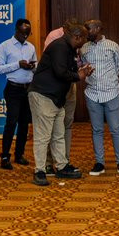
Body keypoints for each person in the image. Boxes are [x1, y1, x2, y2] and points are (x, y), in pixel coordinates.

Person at [29, 22, 91, 186]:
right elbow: (60, 72)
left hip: (56, 98)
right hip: (43, 95)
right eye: (84, 38)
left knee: (58, 134)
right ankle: (39, 171)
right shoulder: (60, 47)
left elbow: (68, 70)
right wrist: (79, 76)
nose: (85, 42)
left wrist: (82, 72)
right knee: (43, 136)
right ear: (77, 37)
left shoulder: (69, 48)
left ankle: (62, 166)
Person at [80, 19, 119, 176]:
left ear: (98, 28)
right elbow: (83, 67)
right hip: (92, 93)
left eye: (89, 29)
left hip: (111, 93)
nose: (87, 32)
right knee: (97, 129)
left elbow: (117, 67)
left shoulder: (113, 46)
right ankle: (99, 163)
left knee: (116, 129)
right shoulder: (84, 48)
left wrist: (109, 81)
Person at [0, 18, 35, 170]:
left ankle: (19, 154)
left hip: (28, 89)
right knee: (11, 122)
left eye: (28, 33)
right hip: (13, 89)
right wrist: (18, 64)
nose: (25, 36)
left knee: (24, 123)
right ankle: (5, 156)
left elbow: (35, 65)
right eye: (23, 33)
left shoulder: (31, 47)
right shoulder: (5, 46)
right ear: (16, 30)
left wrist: (31, 66)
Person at [43, 18, 81, 168]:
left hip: (70, 85)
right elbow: (55, 66)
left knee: (67, 123)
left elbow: (77, 62)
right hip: (55, 86)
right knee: (51, 125)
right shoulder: (54, 37)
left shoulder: (77, 39)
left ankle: (64, 161)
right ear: (65, 29)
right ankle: (48, 162)